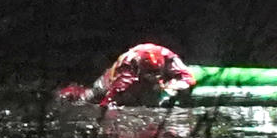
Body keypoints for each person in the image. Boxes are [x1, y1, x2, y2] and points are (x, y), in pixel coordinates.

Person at [56, 43, 197, 107]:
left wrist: (170, 87)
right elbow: (111, 99)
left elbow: (188, 78)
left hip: (150, 84)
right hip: (109, 81)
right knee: (88, 96)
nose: (154, 77)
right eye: (150, 73)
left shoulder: (167, 56)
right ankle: (63, 93)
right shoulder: (128, 66)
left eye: (156, 73)